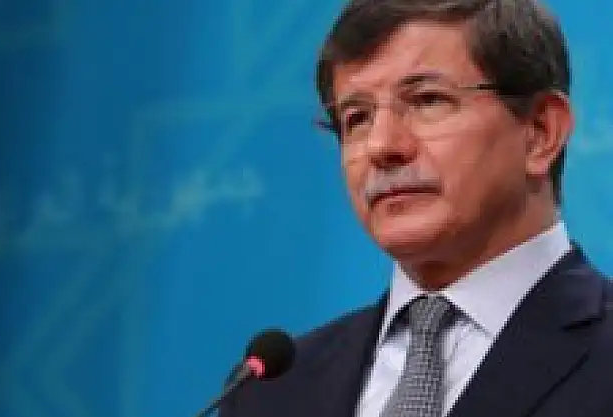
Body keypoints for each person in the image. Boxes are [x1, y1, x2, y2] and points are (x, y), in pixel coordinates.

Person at [218, 0, 613, 416]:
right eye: (357, 118)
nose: (381, 146)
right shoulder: (269, 394)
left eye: (428, 100)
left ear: (540, 132)